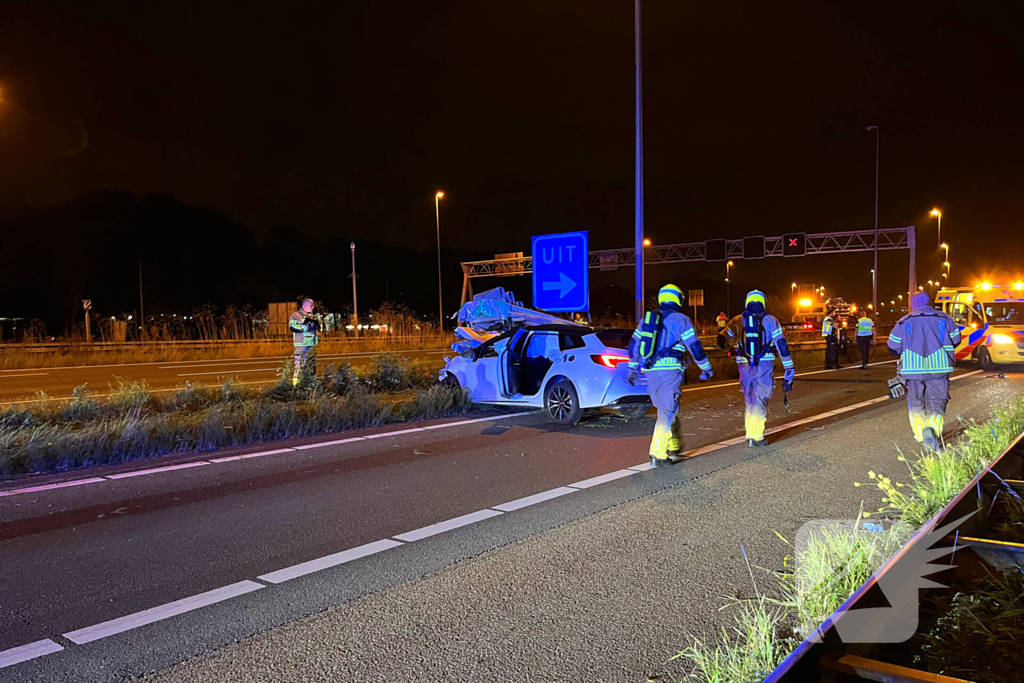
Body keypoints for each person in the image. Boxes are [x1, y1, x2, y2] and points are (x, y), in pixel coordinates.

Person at [626, 284, 714, 468]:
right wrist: (706, 368)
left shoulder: (647, 319)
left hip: (650, 371)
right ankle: (658, 454)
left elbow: (633, 346)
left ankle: (673, 444)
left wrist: (633, 370)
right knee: (667, 412)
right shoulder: (681, 320)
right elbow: (695, 348)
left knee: (665, 409)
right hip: (669, 371)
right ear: (678, 299)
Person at [887, 291, 961, 451]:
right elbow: (956, 340)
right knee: (937, 401)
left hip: (912, 370)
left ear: (913, 304)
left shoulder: (904, 321)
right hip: (939, 369)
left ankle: (921, 435)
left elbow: (893, 346)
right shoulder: (944, 318)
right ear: (930, 302)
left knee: (916, 402)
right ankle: (932, 430)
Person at [721, 290, 796, 447]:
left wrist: (732, 347)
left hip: (743, 365)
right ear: (764, 303)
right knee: (760, 399)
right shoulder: (771, 320)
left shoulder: (737, 320)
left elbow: (721, 339)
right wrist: (789, 368)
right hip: (764, 365)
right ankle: (756, 438)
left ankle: (750, 434)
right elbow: (781, 345)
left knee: (750, 400)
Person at [289, 298, 320, 385]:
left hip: (311, 346)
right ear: (305, 305)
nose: (313, 307)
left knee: (311, 366)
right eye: (311, 305)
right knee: (299, 366)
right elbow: (293, 327)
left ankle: (310, 385)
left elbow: (316, 329)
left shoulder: (311, 316)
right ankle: (296, 385)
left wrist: (317, 332)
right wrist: (306, 327)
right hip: (301, 346)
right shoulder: (296, 316)